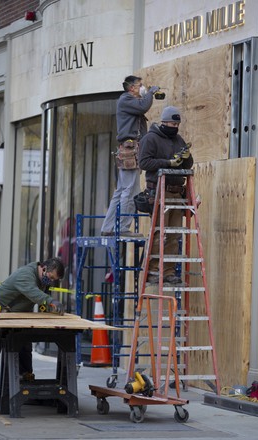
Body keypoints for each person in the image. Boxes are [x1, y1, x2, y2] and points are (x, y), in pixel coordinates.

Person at [0, 257, 65, 402]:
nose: (51, 281)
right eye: (50, 277)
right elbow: (33, 293)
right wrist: (51, 301)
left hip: (19, 317)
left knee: (25, 349)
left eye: (54, 279)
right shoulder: (26, 275)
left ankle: (26, 385)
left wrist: (50, 311)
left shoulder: (42, 279)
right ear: (43, 268)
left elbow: (41, 298)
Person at [139, 106, 194, 284]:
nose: (175, 126)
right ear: (163, 122)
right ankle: (153, 271)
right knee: (157, 234)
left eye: (177, 123)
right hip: (158, 192)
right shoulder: (151, 139)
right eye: (172, 123)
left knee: (173, 235)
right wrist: (168, 163)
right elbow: (144, 162)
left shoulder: (178, 139)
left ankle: (168, 271)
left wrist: (186, 157)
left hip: (176, 194)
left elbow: (189, 164)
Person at [101, 75, 160, 237]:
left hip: (130, 148)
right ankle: (122, 229)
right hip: (130, 148)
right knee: (129, 189)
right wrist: (150, 93)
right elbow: (143, 107)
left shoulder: (127, 101)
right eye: (140, 85)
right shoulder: (126, 100)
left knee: (122, 190)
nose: (142, 88)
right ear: (132, 88)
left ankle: (108, 227)